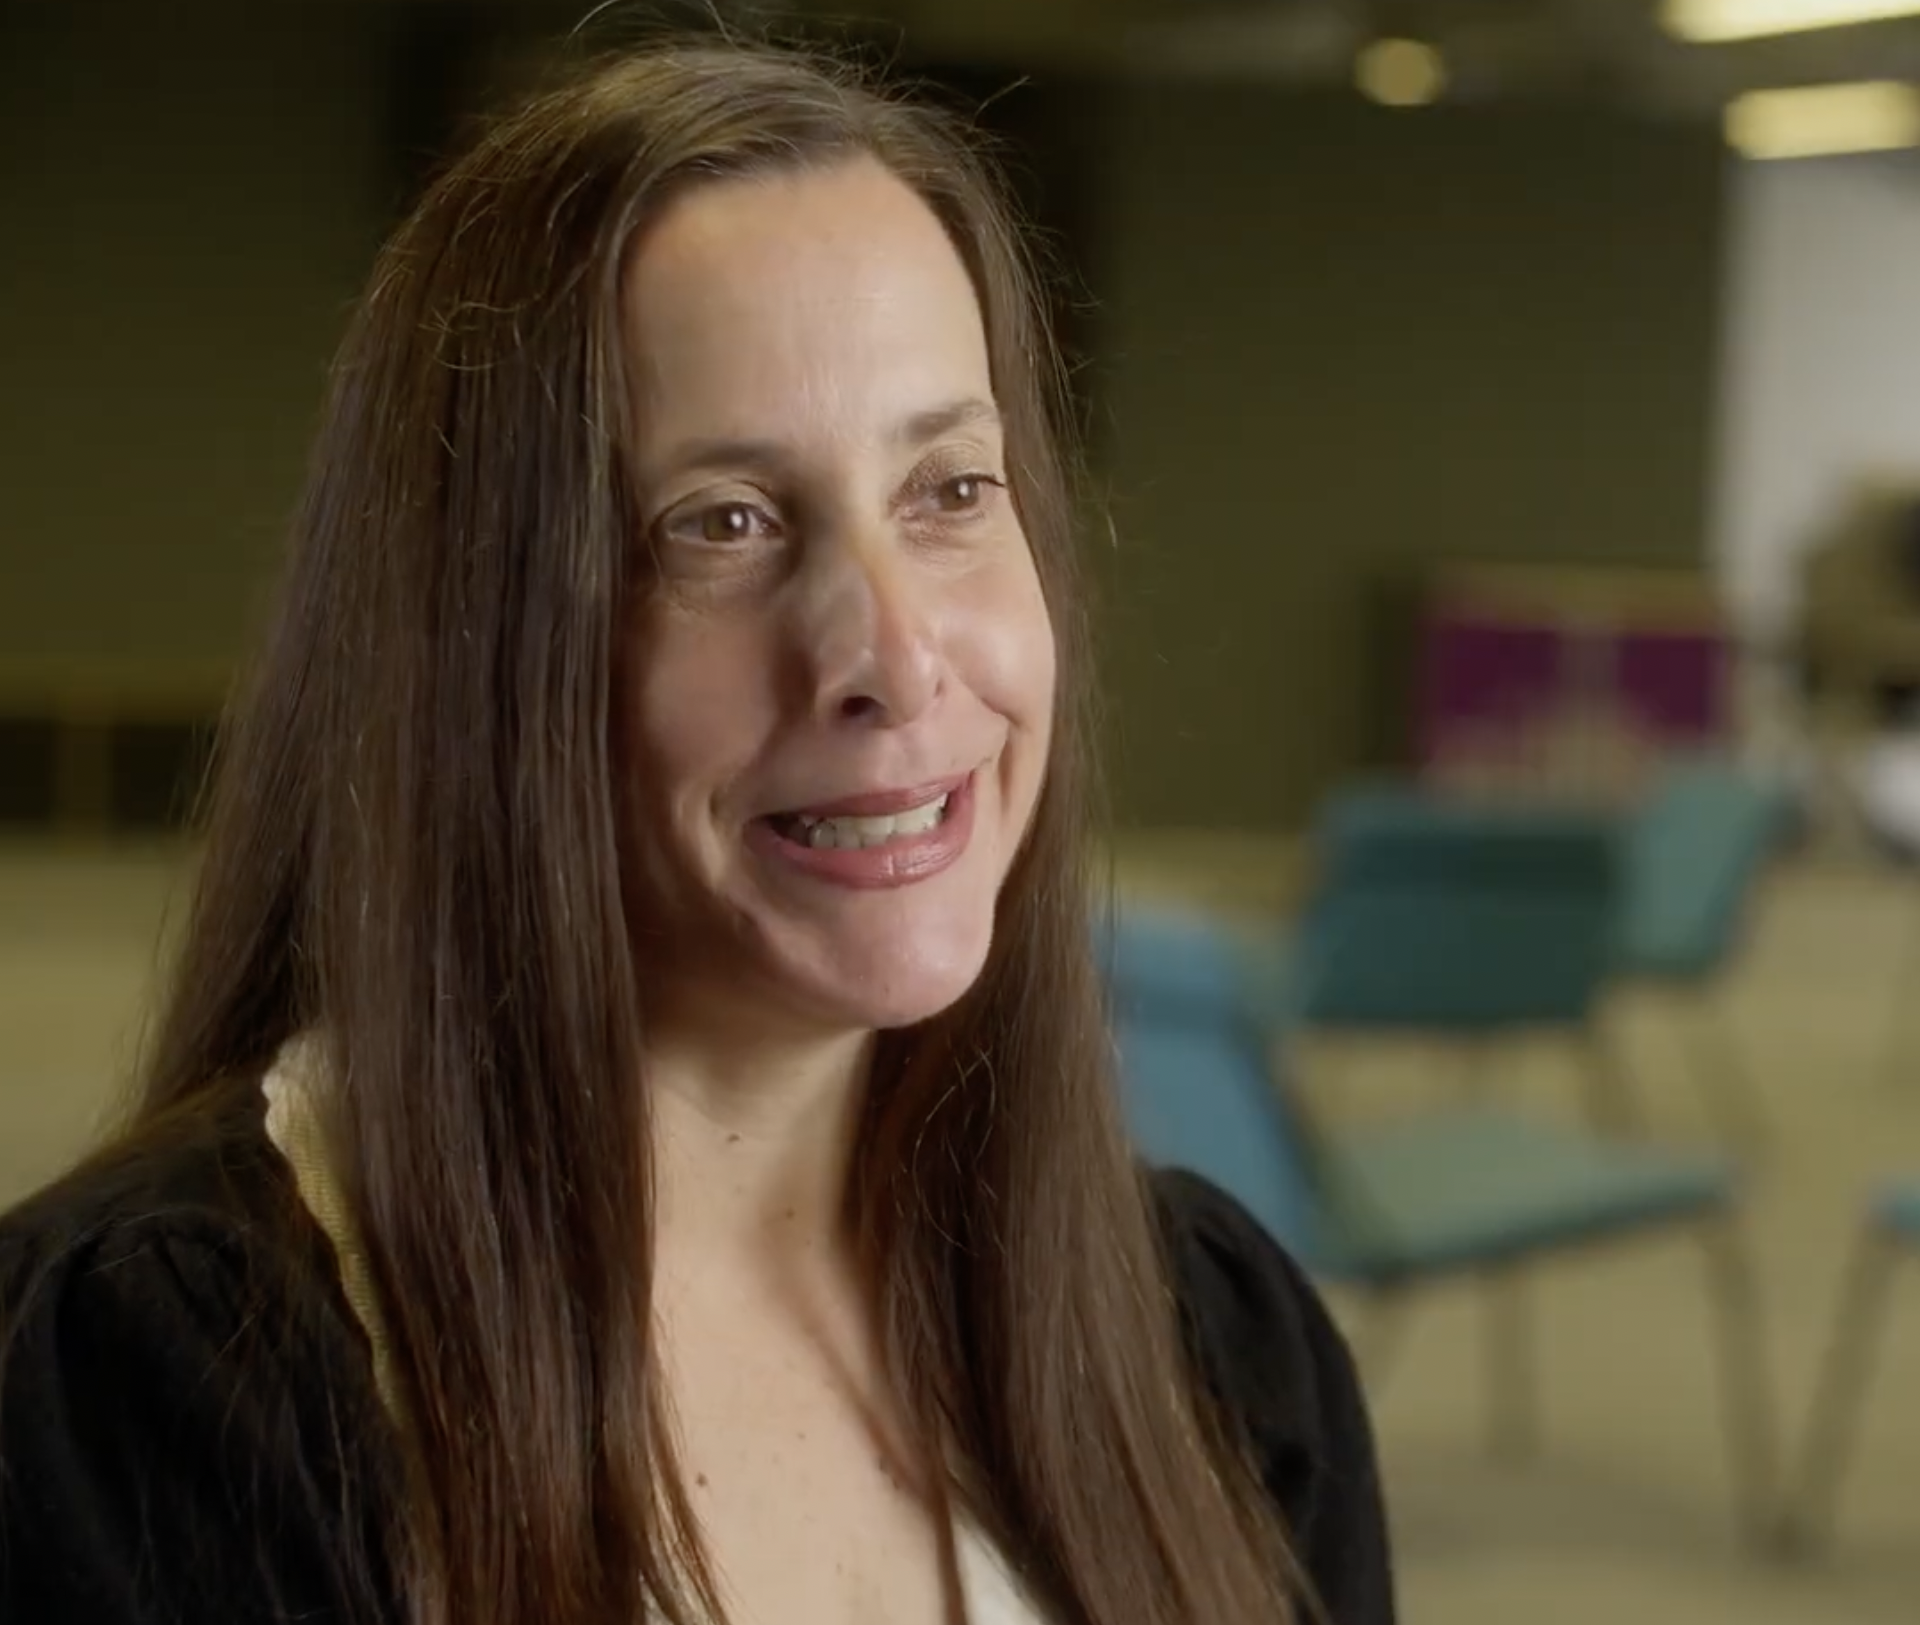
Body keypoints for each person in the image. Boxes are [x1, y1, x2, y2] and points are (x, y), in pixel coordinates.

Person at [0, 39, 1393, 1625]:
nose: (892, 656)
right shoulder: (141, 1390)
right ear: (481, 638)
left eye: (949, 489)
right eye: (721, 523)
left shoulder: (1216, 1345)